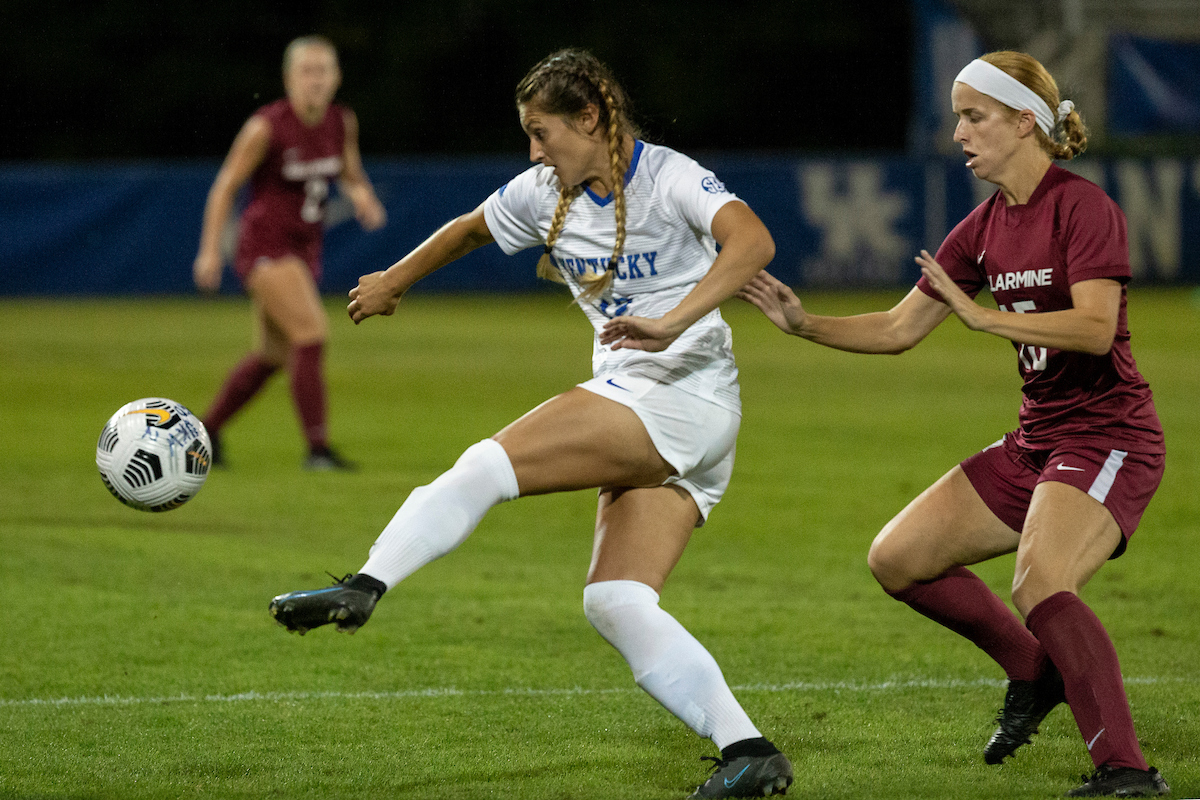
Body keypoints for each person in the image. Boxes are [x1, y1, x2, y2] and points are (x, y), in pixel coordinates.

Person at [268, 48, 793, 799]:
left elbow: (754, 241)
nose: (535, 151)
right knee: (616, 601)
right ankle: (749, 750)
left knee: (488, 465)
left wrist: (673, 321)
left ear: (591, 119)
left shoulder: (669, 176)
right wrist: (394, 282)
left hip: (679, 397)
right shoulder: (544, 192)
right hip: (672, 418)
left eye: (543, 133)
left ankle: (366, 583)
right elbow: (468, 231)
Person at [737, 51, 1168, 798]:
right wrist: (806, 324)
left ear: (1024, 122)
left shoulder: (1082, 208)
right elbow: (899, 328)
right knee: (898, 558)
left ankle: (1126, 770)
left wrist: (982, 317)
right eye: (958, 118)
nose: (959, 133)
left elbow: (1097, 329)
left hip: (1107, 437)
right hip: (1037, 441)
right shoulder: (983, 227)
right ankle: (1034, 671)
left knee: (1041, 582)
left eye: (974, 116)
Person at [193, 34, 386, 471]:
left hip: (304, 249)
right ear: (288, 79)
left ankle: (206, 433)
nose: (315, 80)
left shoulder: (341, 121)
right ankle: (318, 451)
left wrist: (362, 195)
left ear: (336, 77)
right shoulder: (266, 126)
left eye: (323, 71)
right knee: (311, 333)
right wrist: (210, 251)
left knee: (272, 355)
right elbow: (224, 187)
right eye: (306, 71)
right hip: (264, 247)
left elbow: (350, 171)